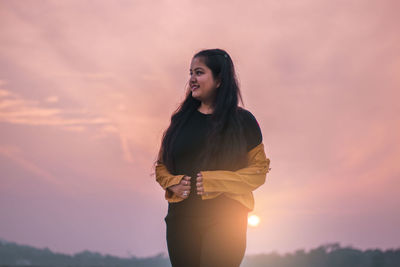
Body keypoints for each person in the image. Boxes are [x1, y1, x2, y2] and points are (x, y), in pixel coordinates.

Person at [154, 48, 271, 267]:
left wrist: (215, 181)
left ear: (219, 80)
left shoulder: (243, 121)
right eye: (190, 73)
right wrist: (173, 183)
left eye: (199, 72)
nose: (192, 80)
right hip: (181, 220)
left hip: (227, 220)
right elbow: (161, 167)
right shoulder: (180, 121)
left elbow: (259, 171)